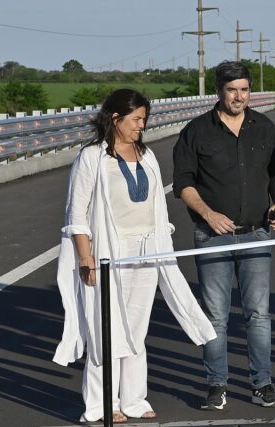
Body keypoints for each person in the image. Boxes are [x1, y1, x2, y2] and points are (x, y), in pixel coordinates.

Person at [54, 88, 216, 423]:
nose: (141, 125)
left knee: (137, 327)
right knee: (106, 329)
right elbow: (76, 214)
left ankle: (134, 399)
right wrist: (85, 257)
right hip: (109, 253)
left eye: (144, 119)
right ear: (115, 118)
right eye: (136, 119)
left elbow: (156, 206)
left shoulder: (147, 155)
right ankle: (102, 404)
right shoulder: (92, 158)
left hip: (147, 250)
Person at [172, 61, 275, 410]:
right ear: (219, 92)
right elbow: (183, 184)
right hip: (212, 237)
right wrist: (208, 213)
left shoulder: (265, 128)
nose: (238, 96)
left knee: (258, 314)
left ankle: (262, 384)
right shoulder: (196, 131)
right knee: (215, 316)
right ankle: (216, 385)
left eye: (244, 89)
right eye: (231, 90)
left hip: (256, 235)